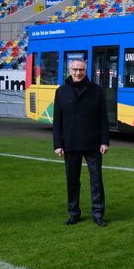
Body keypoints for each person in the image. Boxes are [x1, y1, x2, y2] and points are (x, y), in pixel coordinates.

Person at [53, 59, 110, 226]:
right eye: (75, 69)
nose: (78, 73)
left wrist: (104, 141)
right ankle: (74, 213)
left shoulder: (97, 91)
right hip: (70, 143)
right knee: (72, 180)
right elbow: (57, 121)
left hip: (93, 143)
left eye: (81, 70)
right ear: (69, 70)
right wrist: (58, 144)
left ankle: (98, 213)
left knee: (96, 180)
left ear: (86, 71)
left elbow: (103, 119)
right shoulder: (61, 92)